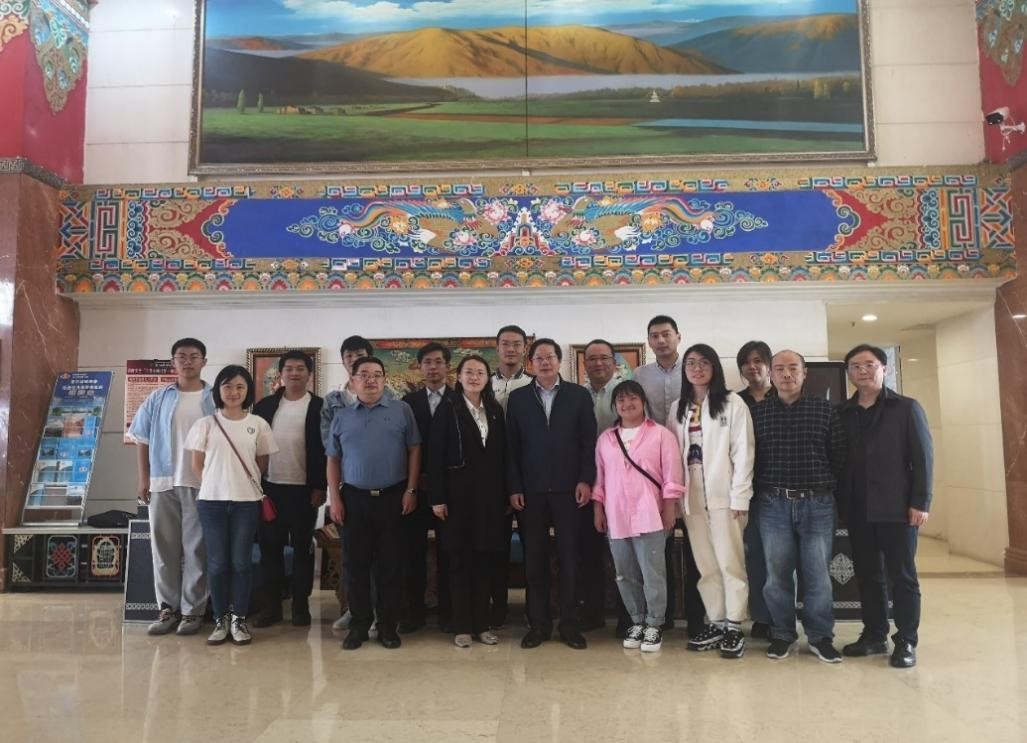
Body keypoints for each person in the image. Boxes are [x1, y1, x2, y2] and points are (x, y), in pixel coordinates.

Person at [838, 344, 933, 669]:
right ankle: (874, 634)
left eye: (869, 364)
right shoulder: (843, 412)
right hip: (858, 509)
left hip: (897, 508)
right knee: (868, 575)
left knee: (902, 576)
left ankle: (906, 640)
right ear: (848, 373)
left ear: (885, 369)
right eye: (855, 366)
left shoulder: (906, 408)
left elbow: (923, 459)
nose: (862, 371)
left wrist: (920, 501)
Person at [752, 350, 847, 663]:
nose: (787, 374)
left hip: (817, 504)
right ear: (770, 374)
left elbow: (838, 456)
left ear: (805, 373)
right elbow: (752, 460)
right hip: (773, 504)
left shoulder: (825, 410)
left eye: (793, 368)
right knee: (777, 575)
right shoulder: (758, 413)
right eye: (779, 368)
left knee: (817, 574)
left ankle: (820, 636)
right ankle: (782, 633)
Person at [326, 356, 421, 650]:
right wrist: (335, 498)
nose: (371, 380)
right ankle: (359, 625)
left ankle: (387, 626)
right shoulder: (342, 416)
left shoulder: (401, 410)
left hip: (393, 498)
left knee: (391, 565)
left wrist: (411, 490)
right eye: (364, 374)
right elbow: (333, 459)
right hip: (354, 499)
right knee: (355, 566)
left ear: (384, 380)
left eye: (377, 374)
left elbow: (414, 450)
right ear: (352, 380)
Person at [507, 338, 597, 649]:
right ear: (530, 363)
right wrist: (514, 487)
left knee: (570, 558)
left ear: (560, 362)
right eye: (539, 358)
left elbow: (588, 442)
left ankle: (569, 625)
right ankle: (539, 625)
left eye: (550, 357)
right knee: (535, 560)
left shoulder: (578, 395)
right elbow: (511, 448)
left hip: (569, 490)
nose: (545, 363)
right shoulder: (518, 399)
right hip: (530, 492)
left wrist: (586, 480)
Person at [668, 344, 755, 659]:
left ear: (714, 367)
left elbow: (744, 452)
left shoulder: (732, 403)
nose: (697, 368)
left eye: (704, 362)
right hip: (691, 498)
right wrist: (675, 500)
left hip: (725, 496)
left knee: (730, 562)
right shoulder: (678, 407)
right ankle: (716, 622)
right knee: (706, 565)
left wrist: (740, 496)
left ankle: (734, 625)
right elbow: (672, 456)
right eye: (691, 363)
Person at [186, 365, 278, 646]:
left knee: (240, 563)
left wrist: (236, 483)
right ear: (218, 390)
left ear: (248, 390)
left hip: (246, 504)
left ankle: (239, 618)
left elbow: (261, 464)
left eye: (240, 386)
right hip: (211, 503)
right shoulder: (205, 424)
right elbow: (197, 465)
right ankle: (220, 619)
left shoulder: (258, 424)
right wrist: (216, 483)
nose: (233, 392)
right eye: (227, 386)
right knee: (216, 564)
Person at [129, 338, 215, 637]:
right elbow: (141, 439)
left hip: (202, 484)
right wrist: (143, 478)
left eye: (194, 356)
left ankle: (193, 612)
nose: (187, 361)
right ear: (173, 362)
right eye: (181, 356)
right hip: (163, 483)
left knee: (197, 551)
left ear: (204, 361)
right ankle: (167, 608)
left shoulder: (214, 398)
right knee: (163, 550)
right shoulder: (158, 398)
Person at [593, 381, 683, 652]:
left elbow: (672, 476)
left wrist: (669, 508)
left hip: (650, 514)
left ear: (643, 402)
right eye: (621, 400)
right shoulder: (606, 439)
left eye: (632, 398)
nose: (627, 404)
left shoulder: (662, 435)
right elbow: (600, 479)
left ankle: (654, 623)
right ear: (614, 406)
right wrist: (598, 510)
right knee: (624, 574)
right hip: (617, 515)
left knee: (653, 573)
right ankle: (637, 620)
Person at [428, 355, 508, 647]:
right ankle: (461, 626)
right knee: (459, 562)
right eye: (469, 372)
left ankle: (482, 624)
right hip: (456, 499)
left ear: (487, 378)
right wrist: (437, 498)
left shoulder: (495, 410)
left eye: (480, 372)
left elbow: (503, 456)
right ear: (458, 377)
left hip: (489, 500)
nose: (474, 377)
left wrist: (506, 493)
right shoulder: (447, 409)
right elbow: (434, 456)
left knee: (484, 561)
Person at [634, 315, 706, 638]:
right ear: (649, 341)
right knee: (657, 548)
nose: (661, 341)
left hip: (694, 466)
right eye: (655, 336)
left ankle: (696, 617)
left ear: (678, 336)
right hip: (654, 470)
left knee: (695, 546)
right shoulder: (640, 375)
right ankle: (661, 616)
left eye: (666, 334)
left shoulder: (693, 370)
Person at [252, 350, 327, 628]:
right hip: (270, 489)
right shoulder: (265, 406)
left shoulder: (320, 407)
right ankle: (271, 607)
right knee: (269, 550)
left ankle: (300, 606)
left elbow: (327, 450)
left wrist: (320, 486)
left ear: (309, 374)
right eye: (289, 369)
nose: (294, 373)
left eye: (300, 368)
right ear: (281, 373)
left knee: (302, 550)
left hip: (305, 491)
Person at [400, 341, 453, 633]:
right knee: (412, 553)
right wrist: (415, 479)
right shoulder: (408, 403)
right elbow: (402, 445)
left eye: (438, 362)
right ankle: (414, 612)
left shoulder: (460, 400)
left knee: (449, 551)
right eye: (427, 362)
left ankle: (448, 612)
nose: (433, 367)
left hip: (451, 491)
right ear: (419, 367)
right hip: (416, 489)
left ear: (447, 366)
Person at [581, 339, 628, 633]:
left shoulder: (627, 394)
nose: (598, 363)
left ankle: (628, 617)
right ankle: (593, 613)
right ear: (584, 363)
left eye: (604, 358)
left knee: (624, 555)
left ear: (614, 362)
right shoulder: (576, 395)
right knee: (589, 553)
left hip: (622, 484)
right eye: (592, 359)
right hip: (587, 483)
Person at [490, 324, 533, 628]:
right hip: (492, 478)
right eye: (505, 343)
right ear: (497, 348)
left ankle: (535, 607)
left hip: (527, 476)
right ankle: (497, 605)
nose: (511, 349)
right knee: (496, 546)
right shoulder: (483, 383)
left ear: (524, 349)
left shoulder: (533, 385)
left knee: (534, 546)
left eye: (517, 344)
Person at [735, 340, 775, 639]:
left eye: (758, 360)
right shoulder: (735, 402)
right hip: (748, 491)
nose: (752, 366)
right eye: (747, 362)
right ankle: (762, 616)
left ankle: (781, 617)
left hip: (780, 487)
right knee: (756, 555)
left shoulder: (785, 396)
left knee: (782, 558)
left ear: (769, 365)